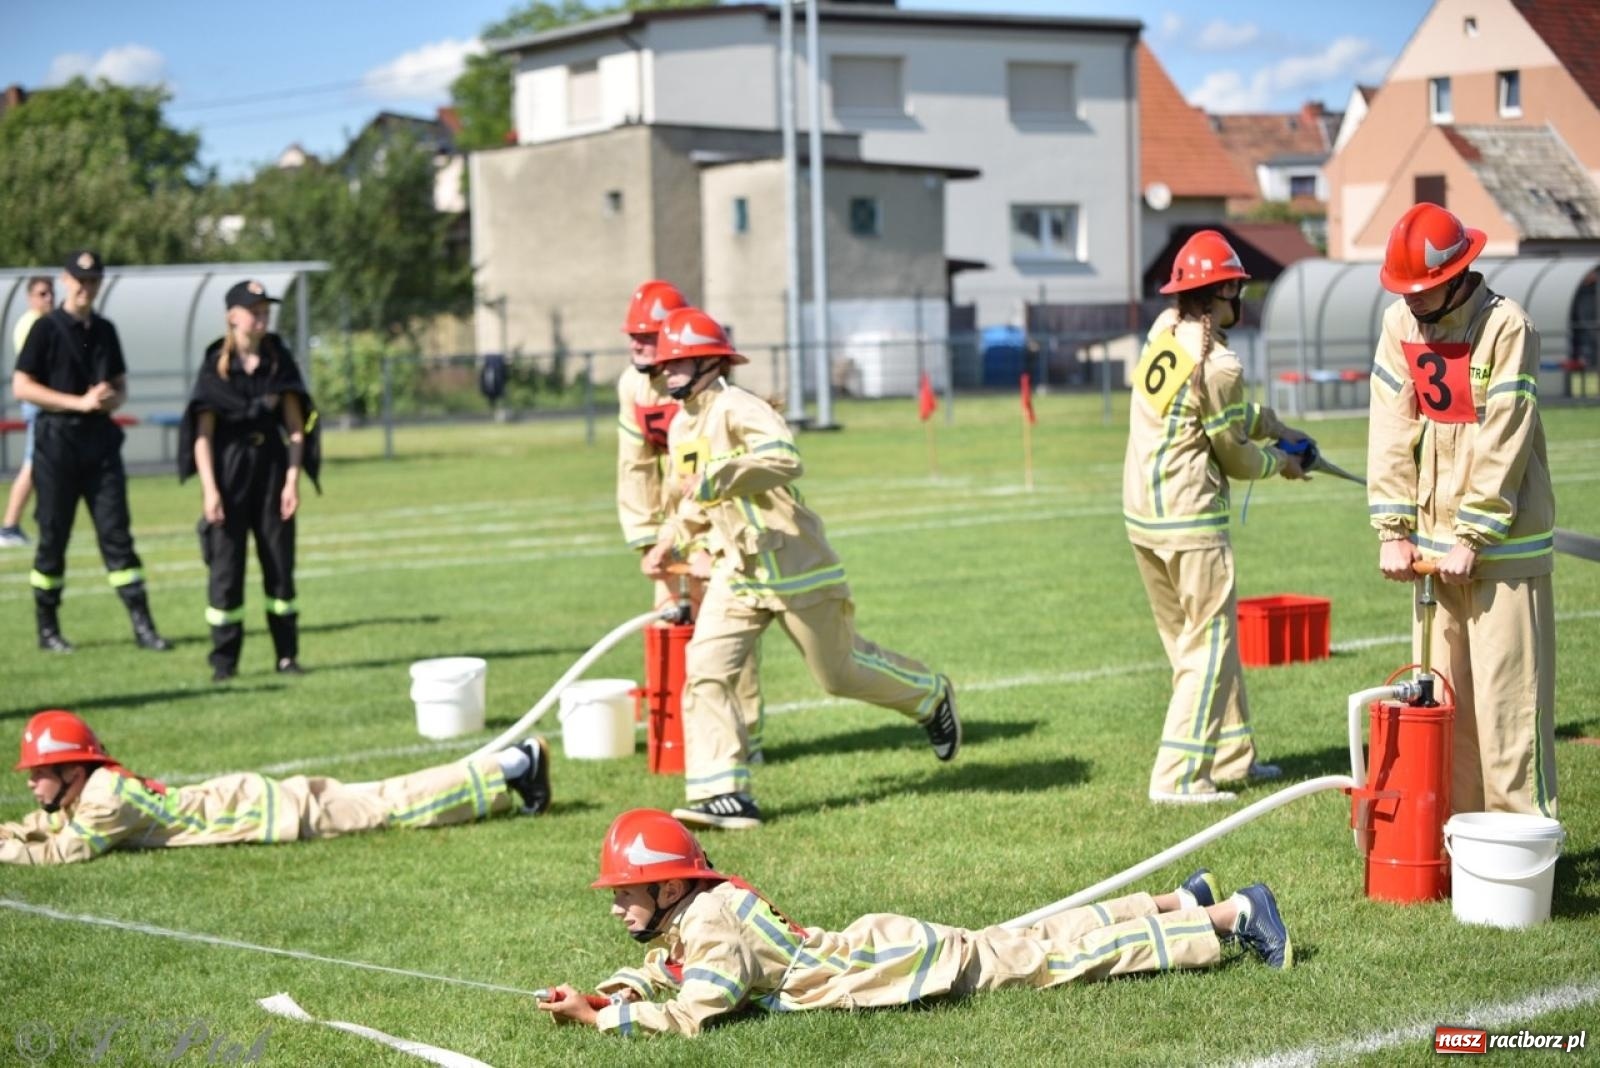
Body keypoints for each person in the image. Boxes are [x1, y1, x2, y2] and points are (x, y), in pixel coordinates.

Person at [536, 808, 1291, 1036]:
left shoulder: (708, 930)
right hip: (885, 946)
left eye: (625, 892)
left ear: (670, 888)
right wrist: (612, 991)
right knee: (1035, 939)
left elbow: (698, 1010)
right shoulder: (697, 916)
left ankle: (1230, 916)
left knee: (1051, 962)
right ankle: (1180, 900)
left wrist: (604, 1024)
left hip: (895, 966)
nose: (615, 905)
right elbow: (672, 975)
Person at [639, 308, 959, 830]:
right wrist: (670, 539)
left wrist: (724, 473)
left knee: (838, 676)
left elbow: (785, 456)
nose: (666, 373)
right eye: (666, 364)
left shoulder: (736, 406)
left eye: (677, 363)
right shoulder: (681, 427)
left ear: (708, 363)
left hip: (796, 565)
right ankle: (724, 793)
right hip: (738, 574)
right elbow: (691, 499)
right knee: (705, 670)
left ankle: (929, 694)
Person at [1367, 203, 1557, 817]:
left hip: (1502, 552)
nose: (1414, 304)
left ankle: (1520, 859)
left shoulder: (1508, 328)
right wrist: (1393, 531)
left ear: (1458, 274)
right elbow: (1391, 427)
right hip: (1432, 553)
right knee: (1446, 712)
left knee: (1509, 715)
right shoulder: (1401, 324)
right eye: (1407, 292)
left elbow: (1506, 437)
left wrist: (1473, 535)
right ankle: (1458, 850)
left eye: (1423, 291)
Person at [1123, 230, 1308, 805]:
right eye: (1237, 285)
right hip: (1189, 518)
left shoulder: (1163, 333)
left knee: (1193, 643)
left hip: (1142, 515)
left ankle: (1231, 756)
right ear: (1223, 290)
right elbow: (1232, 453)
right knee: (1210, 645)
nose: (1242, 295)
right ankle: (1178, 777)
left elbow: (1202, 408)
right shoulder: (1222, 361)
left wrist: (1272, 422)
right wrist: (1282, 461)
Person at [1, 710, 552, 865]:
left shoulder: (105, 802)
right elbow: (51, 825)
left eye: (39, 774)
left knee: (394, 806)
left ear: (73, 769)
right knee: (387, 795)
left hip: (277, 813)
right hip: (263, 803)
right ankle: (511, 767)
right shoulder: (99, 789)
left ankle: (514, 766)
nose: (32, 786)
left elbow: (60, 852)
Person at [616, 280, 765, 759]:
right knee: (668, 627)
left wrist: (703, 543)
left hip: (716, 521)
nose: (637, 344)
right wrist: (647, 538)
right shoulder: (633, 386)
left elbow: (709, 474)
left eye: (648, 335)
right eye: (633, 335)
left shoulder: (707, 393)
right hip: (669, 520)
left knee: (724, 626)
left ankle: (746, 737)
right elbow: (633, 464)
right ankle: (679, 738)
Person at [11, 250, 170, 654]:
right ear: (65, 279)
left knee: (117, 535)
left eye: (94, 280)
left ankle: (143, 626)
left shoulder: (105, 330)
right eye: (80, 279)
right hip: (57, 442)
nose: (87, 287)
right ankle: (48, 629)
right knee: (53, 537)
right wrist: (76, 402)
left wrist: (108, 400)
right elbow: (22, 386)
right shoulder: (45, 329)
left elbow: (121, 386)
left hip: (99, 443)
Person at [177, 280, 320, 682]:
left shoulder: (278, 358)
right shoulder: (215, 365)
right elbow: (201, 435)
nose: (262, 315)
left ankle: (287, 657)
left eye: (265, 308)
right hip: (228, 471)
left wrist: (292, 481)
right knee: (225, 571)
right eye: (253, 309)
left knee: (279, 567)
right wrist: (210, 490)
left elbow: (296, 427)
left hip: (272, 470)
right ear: (232, 316)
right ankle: (224, 663)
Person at [1, 276, 52, 547]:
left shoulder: (43, 323)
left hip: (44, 400)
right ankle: (9, 526)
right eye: (42, 294)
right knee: (32, 464)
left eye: (51, 293)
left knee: (42, 465)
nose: (49, 299)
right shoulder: (33, 324)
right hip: (38, 400)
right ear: (30, 297)